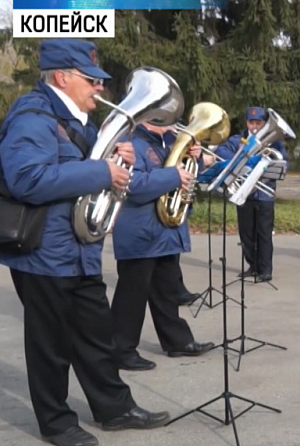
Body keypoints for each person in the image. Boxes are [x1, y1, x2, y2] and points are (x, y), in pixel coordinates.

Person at [0, 39, 170, 446]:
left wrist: (119, 163)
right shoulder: (32, 116)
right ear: (62, 77)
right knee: (51, 345)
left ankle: (114, 408)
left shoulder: (76, 122)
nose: (99, 88)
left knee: (96, 335)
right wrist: (101, 171)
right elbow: (28, 179)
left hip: (77, 250)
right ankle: (56, 422)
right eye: (91, 80)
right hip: (42, 252)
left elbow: (81, 171)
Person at [109, 121, 217, 371]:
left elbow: (185, 174)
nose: (172, 121)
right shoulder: (132, 142)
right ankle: (121, 350)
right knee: (131, 296)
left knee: (167, 291)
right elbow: (131, 185)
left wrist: (196, 161)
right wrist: (173, 175)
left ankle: (177, 341)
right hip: (140, 230)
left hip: (165, 231)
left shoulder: (169, 141)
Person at [214, 106, 288, 282]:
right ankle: (252, 266)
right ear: (247, 122)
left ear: (264, 123)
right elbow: (221, 151)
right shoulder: (239, 139)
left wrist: (261, 167)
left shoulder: (274, 142)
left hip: (264, 194)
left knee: (264, 233)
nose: (254, 126)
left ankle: (265, 269)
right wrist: (242, 159)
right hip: (244, 193)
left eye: (258, 122)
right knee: (246, 233)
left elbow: (284, 164)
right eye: (251, 122)